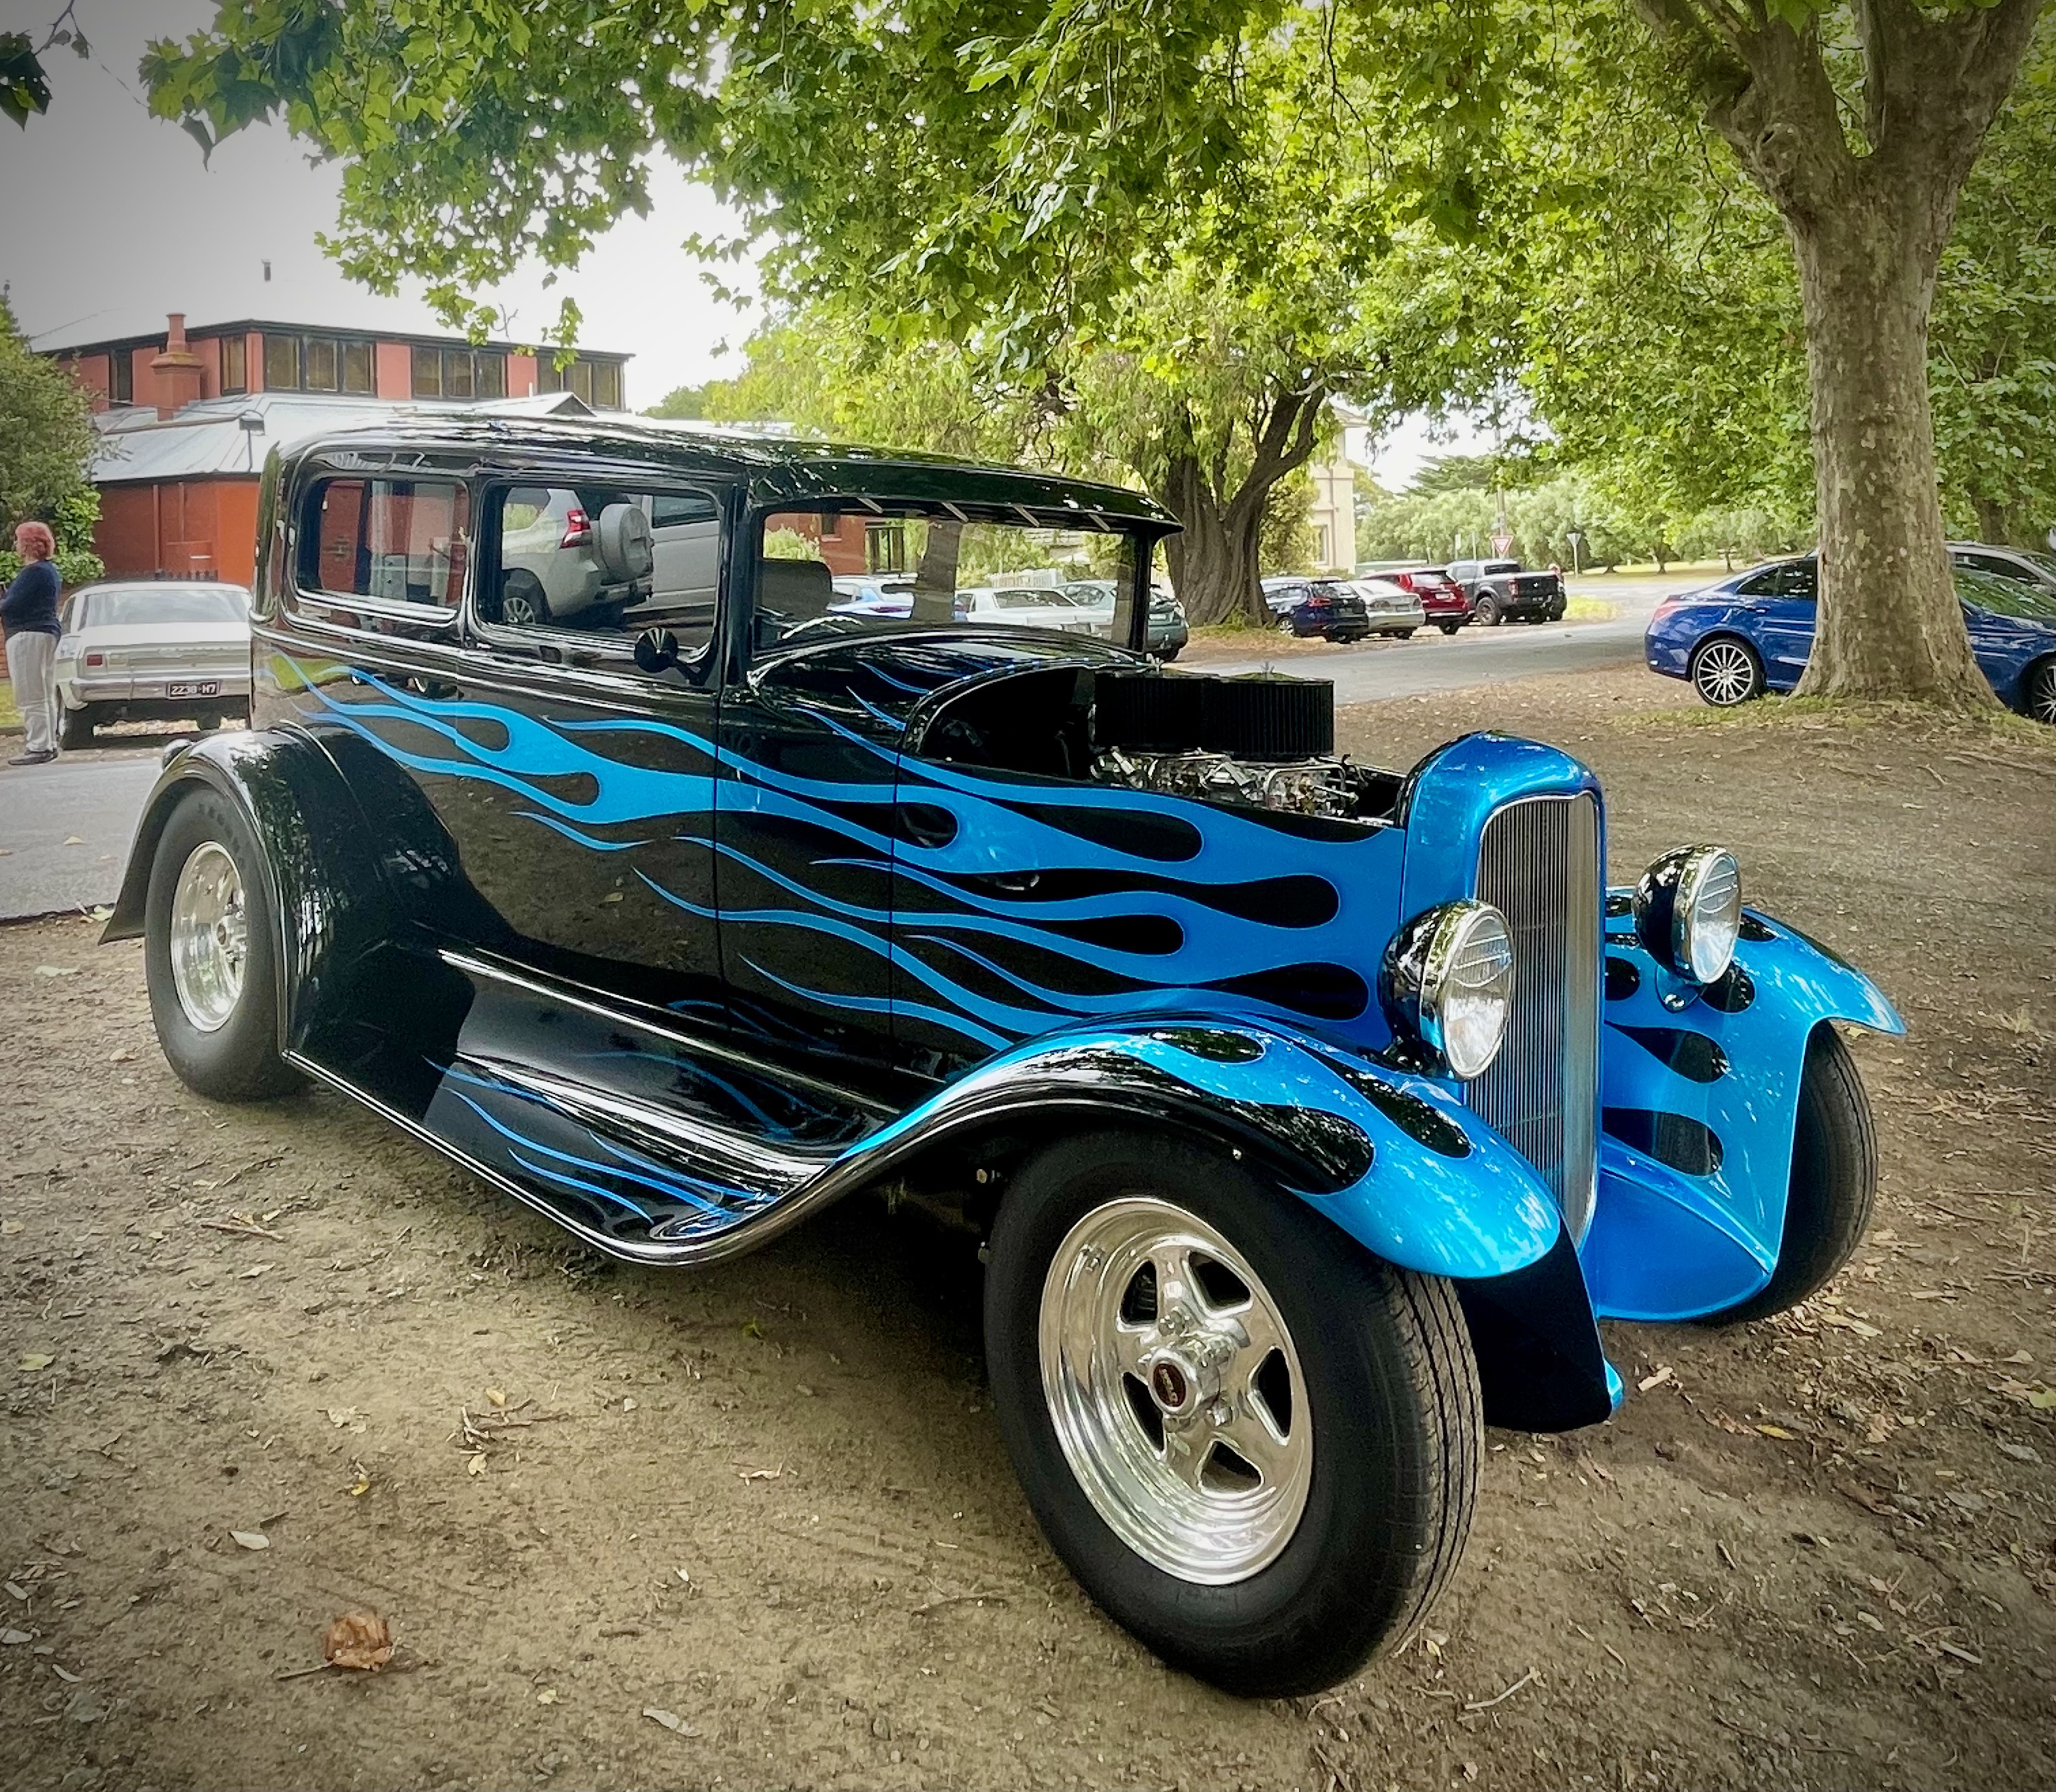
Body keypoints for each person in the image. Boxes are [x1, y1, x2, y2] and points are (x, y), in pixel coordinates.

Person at [4, 520, 64, 766]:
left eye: (18, 540)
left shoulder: (34, 572)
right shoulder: (48, 571)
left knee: (30, 693)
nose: (16, 545)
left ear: (28, 544)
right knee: (44, 691)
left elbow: (12, 605)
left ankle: (38, 745)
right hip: (45, 633)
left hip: (27, 635)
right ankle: (47, 743)